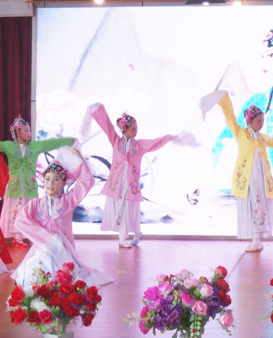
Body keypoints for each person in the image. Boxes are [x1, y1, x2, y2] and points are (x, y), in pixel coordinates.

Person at [201, 90, 273, 252]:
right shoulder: (241, 133)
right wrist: (224, 99)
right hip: (247, 178)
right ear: (249, 121)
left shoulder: (263, 138)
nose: (261, 124)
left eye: (263, 121)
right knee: (250, 206)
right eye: (259, 121)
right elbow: (230, 118)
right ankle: (255, 239)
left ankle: (257, 239)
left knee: (260, 206)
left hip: (261, 178)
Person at [83, 103, 197, 248]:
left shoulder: (139, 145)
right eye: (133, 128)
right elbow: (107, 126)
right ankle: (132, 235)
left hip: (130, 184)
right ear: (124, 129)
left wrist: (170, 137)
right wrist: (98, 110)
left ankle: (127, 236)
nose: (136, 131)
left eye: (137, 128)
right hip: (117, 183)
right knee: (122, 210)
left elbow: (155, 142)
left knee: (127, 209)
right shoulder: (115, 141)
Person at [11, 147, 112, 288]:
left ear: (64, 183)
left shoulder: (68, 201)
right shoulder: (35, 204)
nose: (51, 183)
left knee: (67, 277)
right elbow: (20, 221)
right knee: (35, 272)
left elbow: (87, 181)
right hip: (43, 246)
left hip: (64, 248)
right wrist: (46, 236)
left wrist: (80, 160)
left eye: (56, 179)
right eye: (47, 179)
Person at [0, 116, 75, 247]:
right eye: (26, 130)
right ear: (18, 132)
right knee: (14, 210)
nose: (29, 133)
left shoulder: (34, 146)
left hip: (29, 186)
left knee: (28, 210)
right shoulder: (9, 146)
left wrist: (69, 141)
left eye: (29, 130)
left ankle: (27, 236)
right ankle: (16, 237)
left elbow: (50, 143)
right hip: (14, 185)